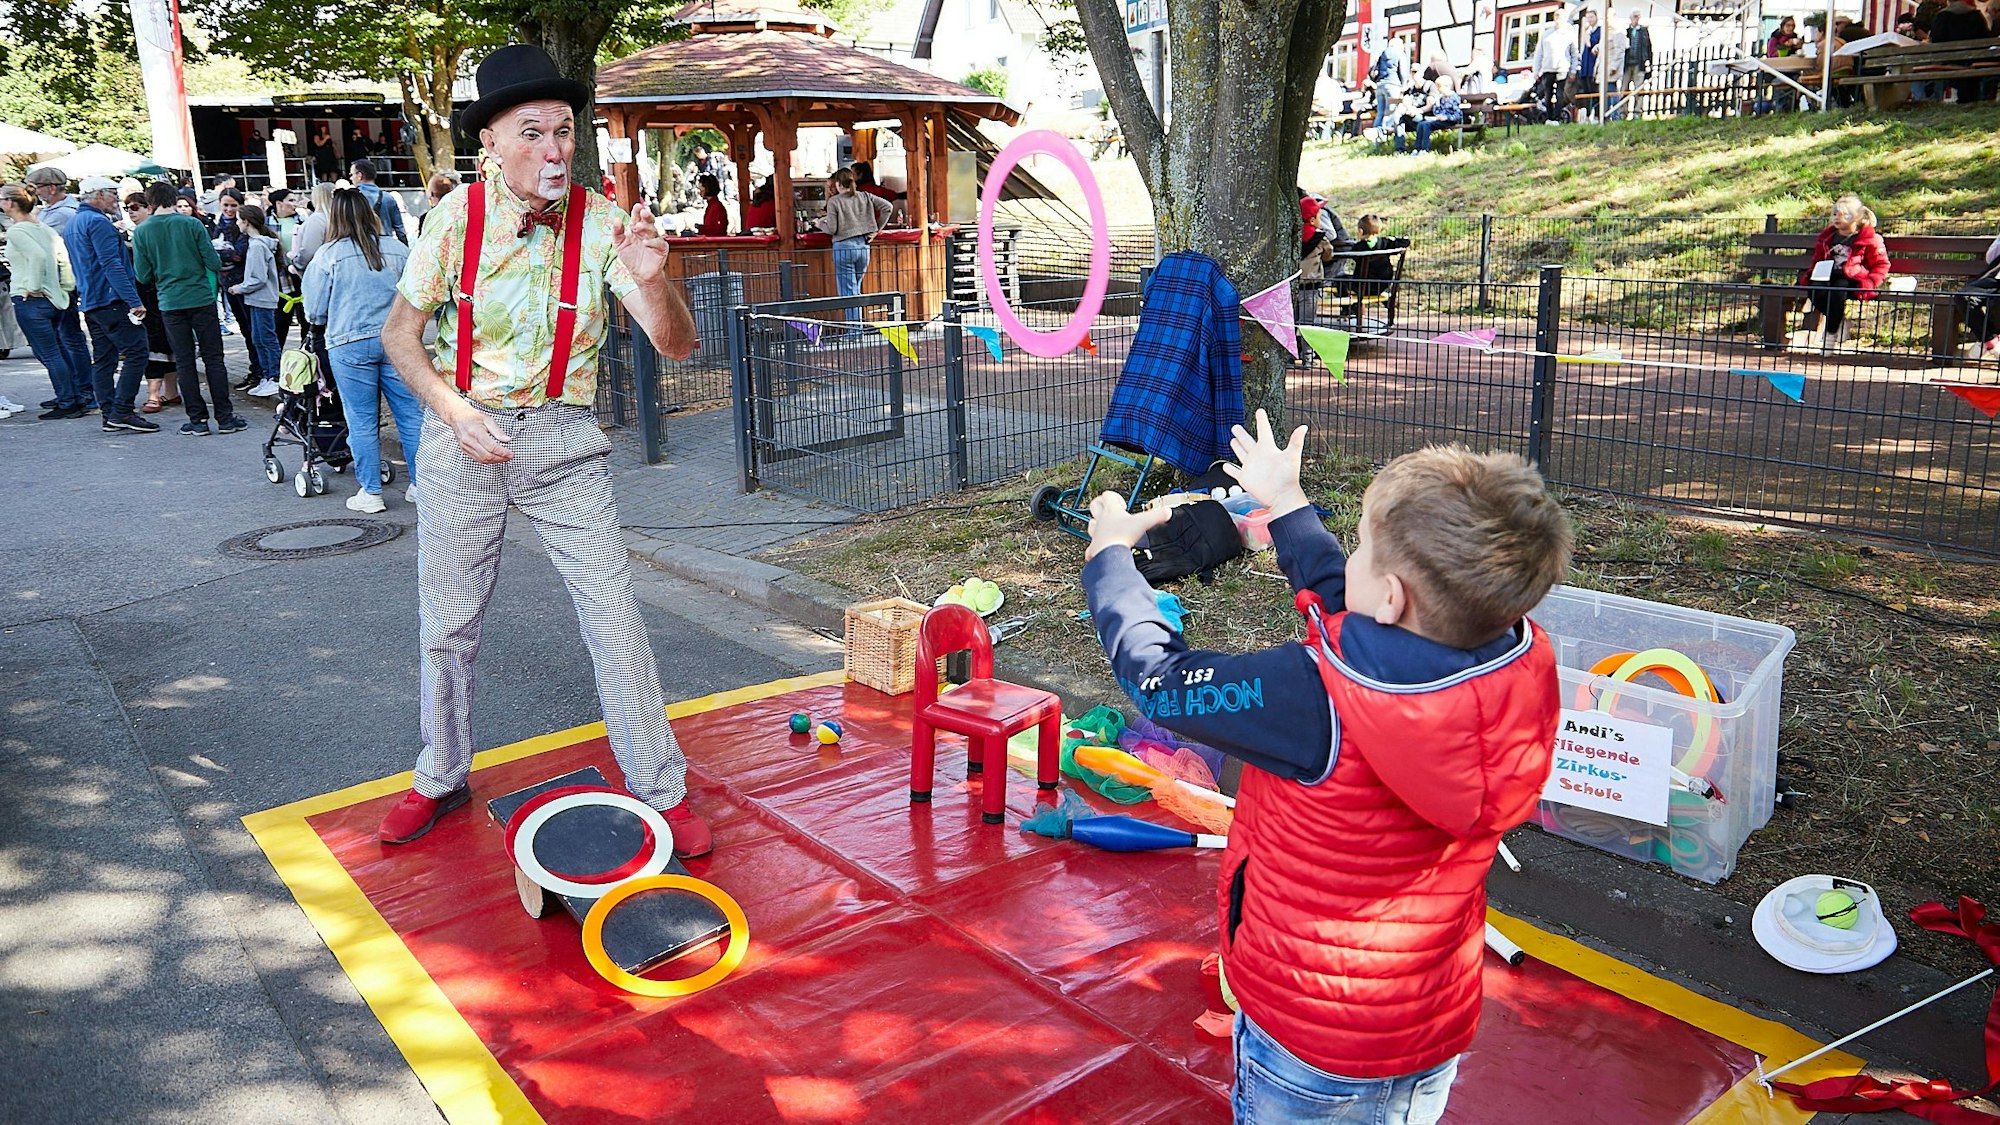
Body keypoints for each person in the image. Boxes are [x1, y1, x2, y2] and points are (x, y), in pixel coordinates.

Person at [1079, 413, 1569, 1125]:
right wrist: (1288, 504)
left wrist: (1111, 557)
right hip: (1428, 1021)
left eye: (1363, 548)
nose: (1351, 561)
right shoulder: (1518, 659)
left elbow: (1159, 678)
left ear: (1394, 596)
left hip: (1309, 1040)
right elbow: (1366, 626)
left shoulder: (1312, 695)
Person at [373, 43, 708, 853]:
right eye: (533, 132)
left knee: (615, 615)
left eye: (563, 130)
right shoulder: (452, 220)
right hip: (465, 439)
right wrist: (451, 411)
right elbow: (399, 335)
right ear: (490, 140)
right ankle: (439, 775)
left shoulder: (603, 224)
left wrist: (654, 280)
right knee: (448, 625)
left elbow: (678, 348)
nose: (555, 149)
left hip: (564, 442)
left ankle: (661, 788)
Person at [303, 188, 420, 513]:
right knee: (410, 415)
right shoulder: (398, 250)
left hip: (349, 342)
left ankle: (371, 491)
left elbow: (314, 310)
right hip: (396, 340)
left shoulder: (328, 255)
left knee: (361, 420)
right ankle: (422, 485)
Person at [132, 179, 241, 436]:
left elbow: (143, 275)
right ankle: (225, 417)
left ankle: (197, 419)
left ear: (151, 202)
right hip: (201, 298)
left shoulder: (143, 232)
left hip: (170, 301)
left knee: (184, 361)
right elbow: (213, 262)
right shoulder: (192, 224)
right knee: (213, 358)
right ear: (173, 199)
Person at [65, 177, 160, 434]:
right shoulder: (98, 222)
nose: (115, 200)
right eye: (111, 194)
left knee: (104, 359)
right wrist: (134, 300)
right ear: (98, 195)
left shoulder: (74, 222)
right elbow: (112, 265)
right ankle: (122, 411)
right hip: (110, 299)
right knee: (138, 351)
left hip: (92, 300)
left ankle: (111, 413)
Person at [1, 183, 95, 418]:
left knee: (49, 353)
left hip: (31, 299)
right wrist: (64, 287)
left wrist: (32, 287)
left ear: (11, 202)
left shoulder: (18, 230)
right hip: (53, 298)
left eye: (2, 198)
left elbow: (38, 255)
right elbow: (62, 257)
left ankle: (68, 401)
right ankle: (72, 396)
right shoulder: (41, 227)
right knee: (58, 350)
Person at [1794, 194, 1890, 350]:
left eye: (1845, 215)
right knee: (1815, 290)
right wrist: (1812, 273)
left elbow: (1881, 263)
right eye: (1834, 214)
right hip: (1827, 274)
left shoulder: (1868, 237)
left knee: (1837, 293)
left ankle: (1830, 336)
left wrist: (1871, 281)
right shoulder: (1827, 237)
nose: (1838, 218)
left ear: (1857, 217)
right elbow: (1817, 259)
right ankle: (1837, 319)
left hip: (1852, 276)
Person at [123, 193, 181, 414]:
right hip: (150, 296)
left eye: (135, 207)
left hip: (159, 295)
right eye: (127, 207)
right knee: (160, 344)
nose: (130, 211)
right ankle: (169, 392)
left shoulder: (153, 232)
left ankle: (155, 395)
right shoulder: (135, 233)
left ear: (150, 208)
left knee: (159, 344)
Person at [818, 167, 893, 325]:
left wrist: (819, 224)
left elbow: (831, 229)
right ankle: (857, 326)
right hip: (863, 246)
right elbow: (888, 207)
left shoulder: (834, 201)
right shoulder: (865, 196)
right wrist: (876, 230)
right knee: (854, 290)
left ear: (838, 184)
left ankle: (854, 331)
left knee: (848, 292)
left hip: (844, 247)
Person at [231, 204, 285, 397]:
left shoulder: (257, 246)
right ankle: (268, 376)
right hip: (257, 299)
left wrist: (239, 288)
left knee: (265, 338)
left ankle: (275, 376)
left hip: (261, 299)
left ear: (246, 222)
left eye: (239, 220)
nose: (237, 223)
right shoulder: (260, 244)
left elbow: (258, 278)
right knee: (259, 338)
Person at [1397, 73, 1464, 153]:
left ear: (1447, 86)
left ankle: (1424, 149)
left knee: (1426, 125)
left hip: (1449, 121)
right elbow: (1437, 111)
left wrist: (1447, 117)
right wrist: (1436, 104)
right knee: (1421, 124)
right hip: (1439, 120)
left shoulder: (1454, 97)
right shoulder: (1440, 97)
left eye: (1439, 87)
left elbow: (1458, 114)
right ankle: (1417, 148)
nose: (1438, 89)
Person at [350, 158, 407, 243]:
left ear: (359, 175)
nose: (351, 178)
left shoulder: (351, 198)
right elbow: (400, 230)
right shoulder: (388, 198)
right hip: (386, 246)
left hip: (361, 247)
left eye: (352, 174)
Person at [1368, 31, 1412, 140]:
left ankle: (1376, 139)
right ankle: (1385, 136)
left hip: (1380, 85)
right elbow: (1403, 71)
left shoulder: (1382, 53)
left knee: (1380, 112)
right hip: (1393, 85)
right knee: (1391, 112)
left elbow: (1372, 71)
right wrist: (1403, 85)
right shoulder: (1400, 53)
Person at [1530, 21, 1575, 120]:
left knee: (1560, 94)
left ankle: (1557, 117)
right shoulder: (1546, 34)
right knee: (1548, 94)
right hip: (1548, 68)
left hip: (1562, 68)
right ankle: (1549, 118)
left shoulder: (1569, 34)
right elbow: (1539, 53)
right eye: (1557, 17)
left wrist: (1573, 70)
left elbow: (1574, 54)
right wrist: (1536, 71)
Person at [25, 167, 80, 237]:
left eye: (37, 188)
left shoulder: (61, 214)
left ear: (52, 189)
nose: (35, 192)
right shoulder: (57, 208)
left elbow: (34, 238)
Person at [1620, 12, 1654, 116]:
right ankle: (1623, 112)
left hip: (1639, 63)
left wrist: (1649, 62)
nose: (1636, 18)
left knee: (1638, 88)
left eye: (1638, 16)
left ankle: (1637, 111)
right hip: (1627, 64)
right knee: (1624, 88)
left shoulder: (1643, 31)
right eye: (1634, 16)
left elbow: (1648, 48)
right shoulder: (1626, 31)